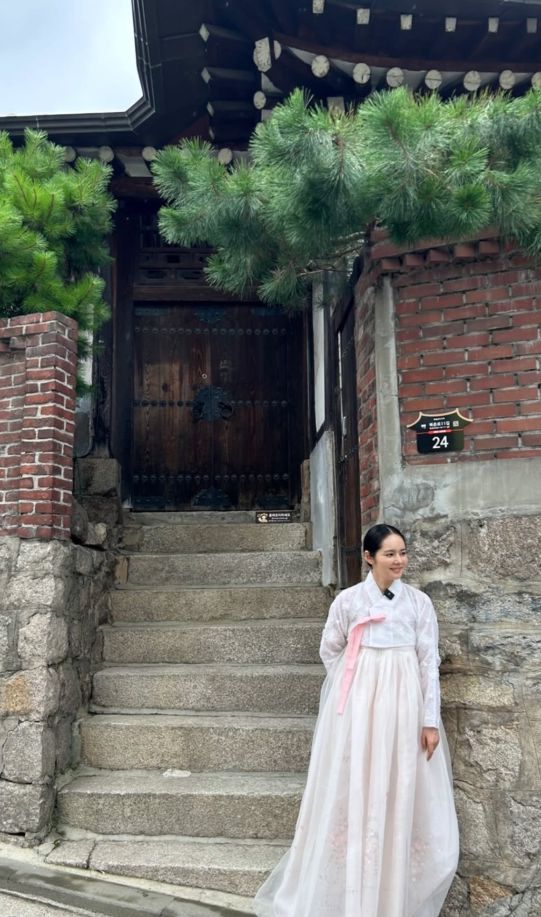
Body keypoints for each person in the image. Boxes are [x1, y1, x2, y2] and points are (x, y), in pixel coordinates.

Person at [253, 523, 459, 917]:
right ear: (369, 557)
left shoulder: (418, 604)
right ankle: (349, 892)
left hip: (404, 706)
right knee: (356, 782)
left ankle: (389, 895)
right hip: (359, 709)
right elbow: (329, 648)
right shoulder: (348, 602)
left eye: (402, 553)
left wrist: (429, 720)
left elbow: (427, 663)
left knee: (400, 784)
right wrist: (353, 685)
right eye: (389, 554)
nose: (399, 561)